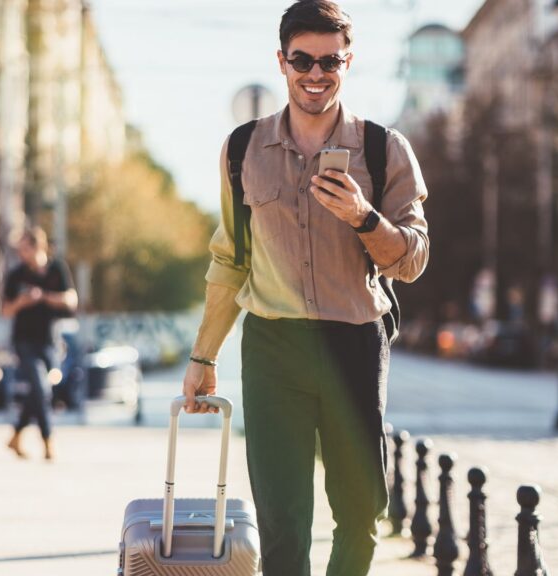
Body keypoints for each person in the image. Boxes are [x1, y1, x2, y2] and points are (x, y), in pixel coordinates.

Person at [181, 2, 429, 574]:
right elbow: (230, 260)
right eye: (302, 60)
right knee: (283, 523)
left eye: (329, 61)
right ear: (282, 61)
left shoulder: (383, 149)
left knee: (360, 512)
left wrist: (366, 218)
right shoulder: (242, 149)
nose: (315, 74)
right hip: (273, 348)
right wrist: (203, 355)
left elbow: (414, 260)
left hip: (353, 344)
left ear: (348, 62)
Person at [2, 227, 77, 461]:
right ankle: (48, 441)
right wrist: (22, 302)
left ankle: (15, 435)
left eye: (25, 248)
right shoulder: (16, 275)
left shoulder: (57, 269)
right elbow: (6, 310)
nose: (21, 254)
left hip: (50, 341)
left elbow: (71, 300)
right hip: (24, 341)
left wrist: (44, 297)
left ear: (38, 247)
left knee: (39, 389)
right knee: (41, 387)